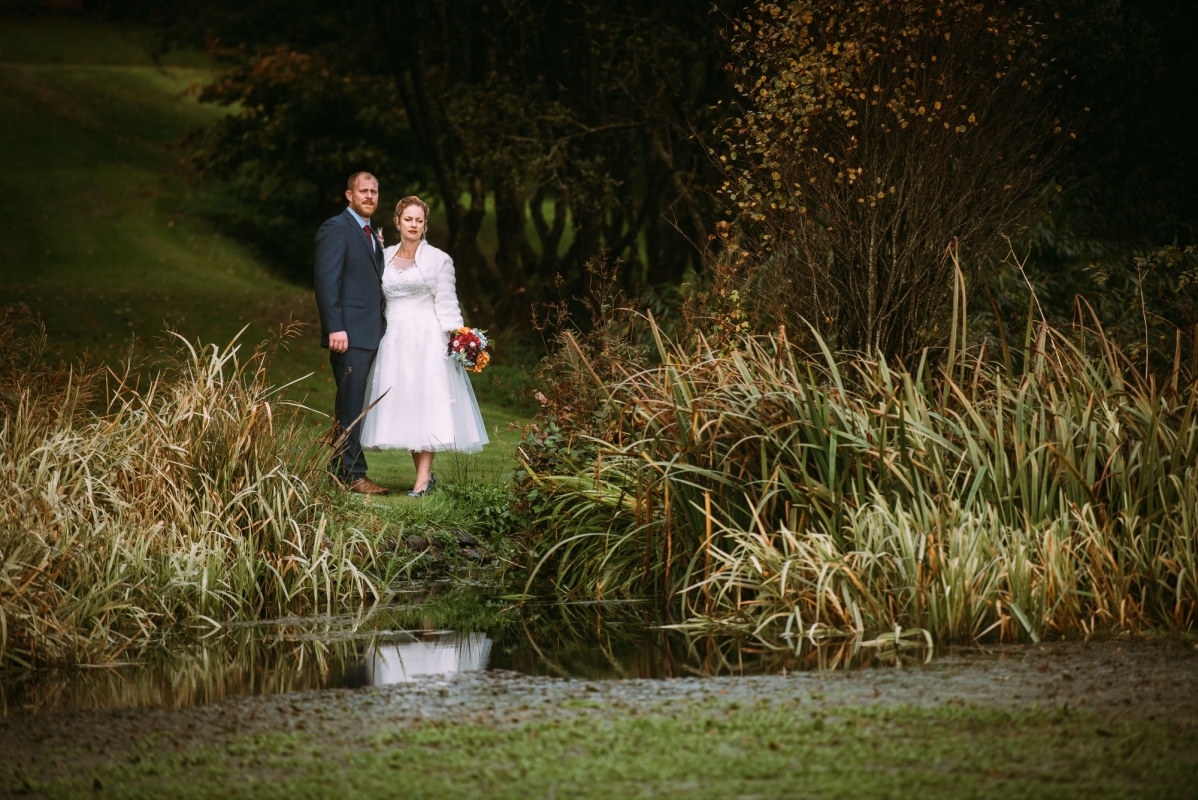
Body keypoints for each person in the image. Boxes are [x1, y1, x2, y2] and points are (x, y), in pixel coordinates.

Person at [360, 195, 489, 496]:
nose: (413, 225)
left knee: (426, 402)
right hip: (393, 340)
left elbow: (447, 303)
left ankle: (423, 478)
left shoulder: (439, 260)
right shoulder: (383, 255)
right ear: (397, 222)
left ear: (425, 225)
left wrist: (459, 338)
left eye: (419, 220)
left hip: (427, 339)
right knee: (407, 404)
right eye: (408, 219)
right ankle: (424, 477)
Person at [313, 172, 390, 495]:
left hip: (370, 332)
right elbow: (326, 281)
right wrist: (336, 327)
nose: (369, 196)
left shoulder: (372, 234)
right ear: (349, 195)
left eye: (374, 191)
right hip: (349, 333)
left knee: (353, 403)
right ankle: (355, 475)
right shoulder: (336, 228)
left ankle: (338, 470)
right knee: (352, 406)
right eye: (363, 191)